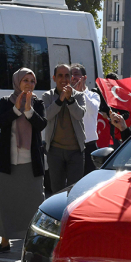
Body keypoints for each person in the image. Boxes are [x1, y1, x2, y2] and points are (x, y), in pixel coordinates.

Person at [0, 68, 47, 253]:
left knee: (34, 201)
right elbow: (0, 122)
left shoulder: (37, 103)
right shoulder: (5, 102)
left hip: (31, 162)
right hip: (8, 161)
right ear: (17, 81)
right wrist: (16, 109)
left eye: (32, 81)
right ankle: (5, 241)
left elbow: (41, 124)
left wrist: (29, 110)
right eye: (25, 80)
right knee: (6, 202)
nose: (29, 84)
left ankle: (35, 241)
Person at [42, 64, 86, 193]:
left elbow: (79, 114)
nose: (64, 79)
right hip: (55, 152)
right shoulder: (47, 96)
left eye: (67, 75)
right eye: (60, 76)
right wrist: (60, 100)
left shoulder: (78, 96)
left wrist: (70, 99)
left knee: (74, 191)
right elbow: (47, 116)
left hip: (76, 151)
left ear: (71, 78)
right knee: (57, 191)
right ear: (54, 78)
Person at [73, 65, 101, 176]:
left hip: (88, 145)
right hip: (72, 145)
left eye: (76, 74)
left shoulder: (93, 95)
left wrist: (81, 93)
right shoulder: (66, 96)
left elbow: (93, 109)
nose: (73, 77)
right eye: (72, 74)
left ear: (84, 78)